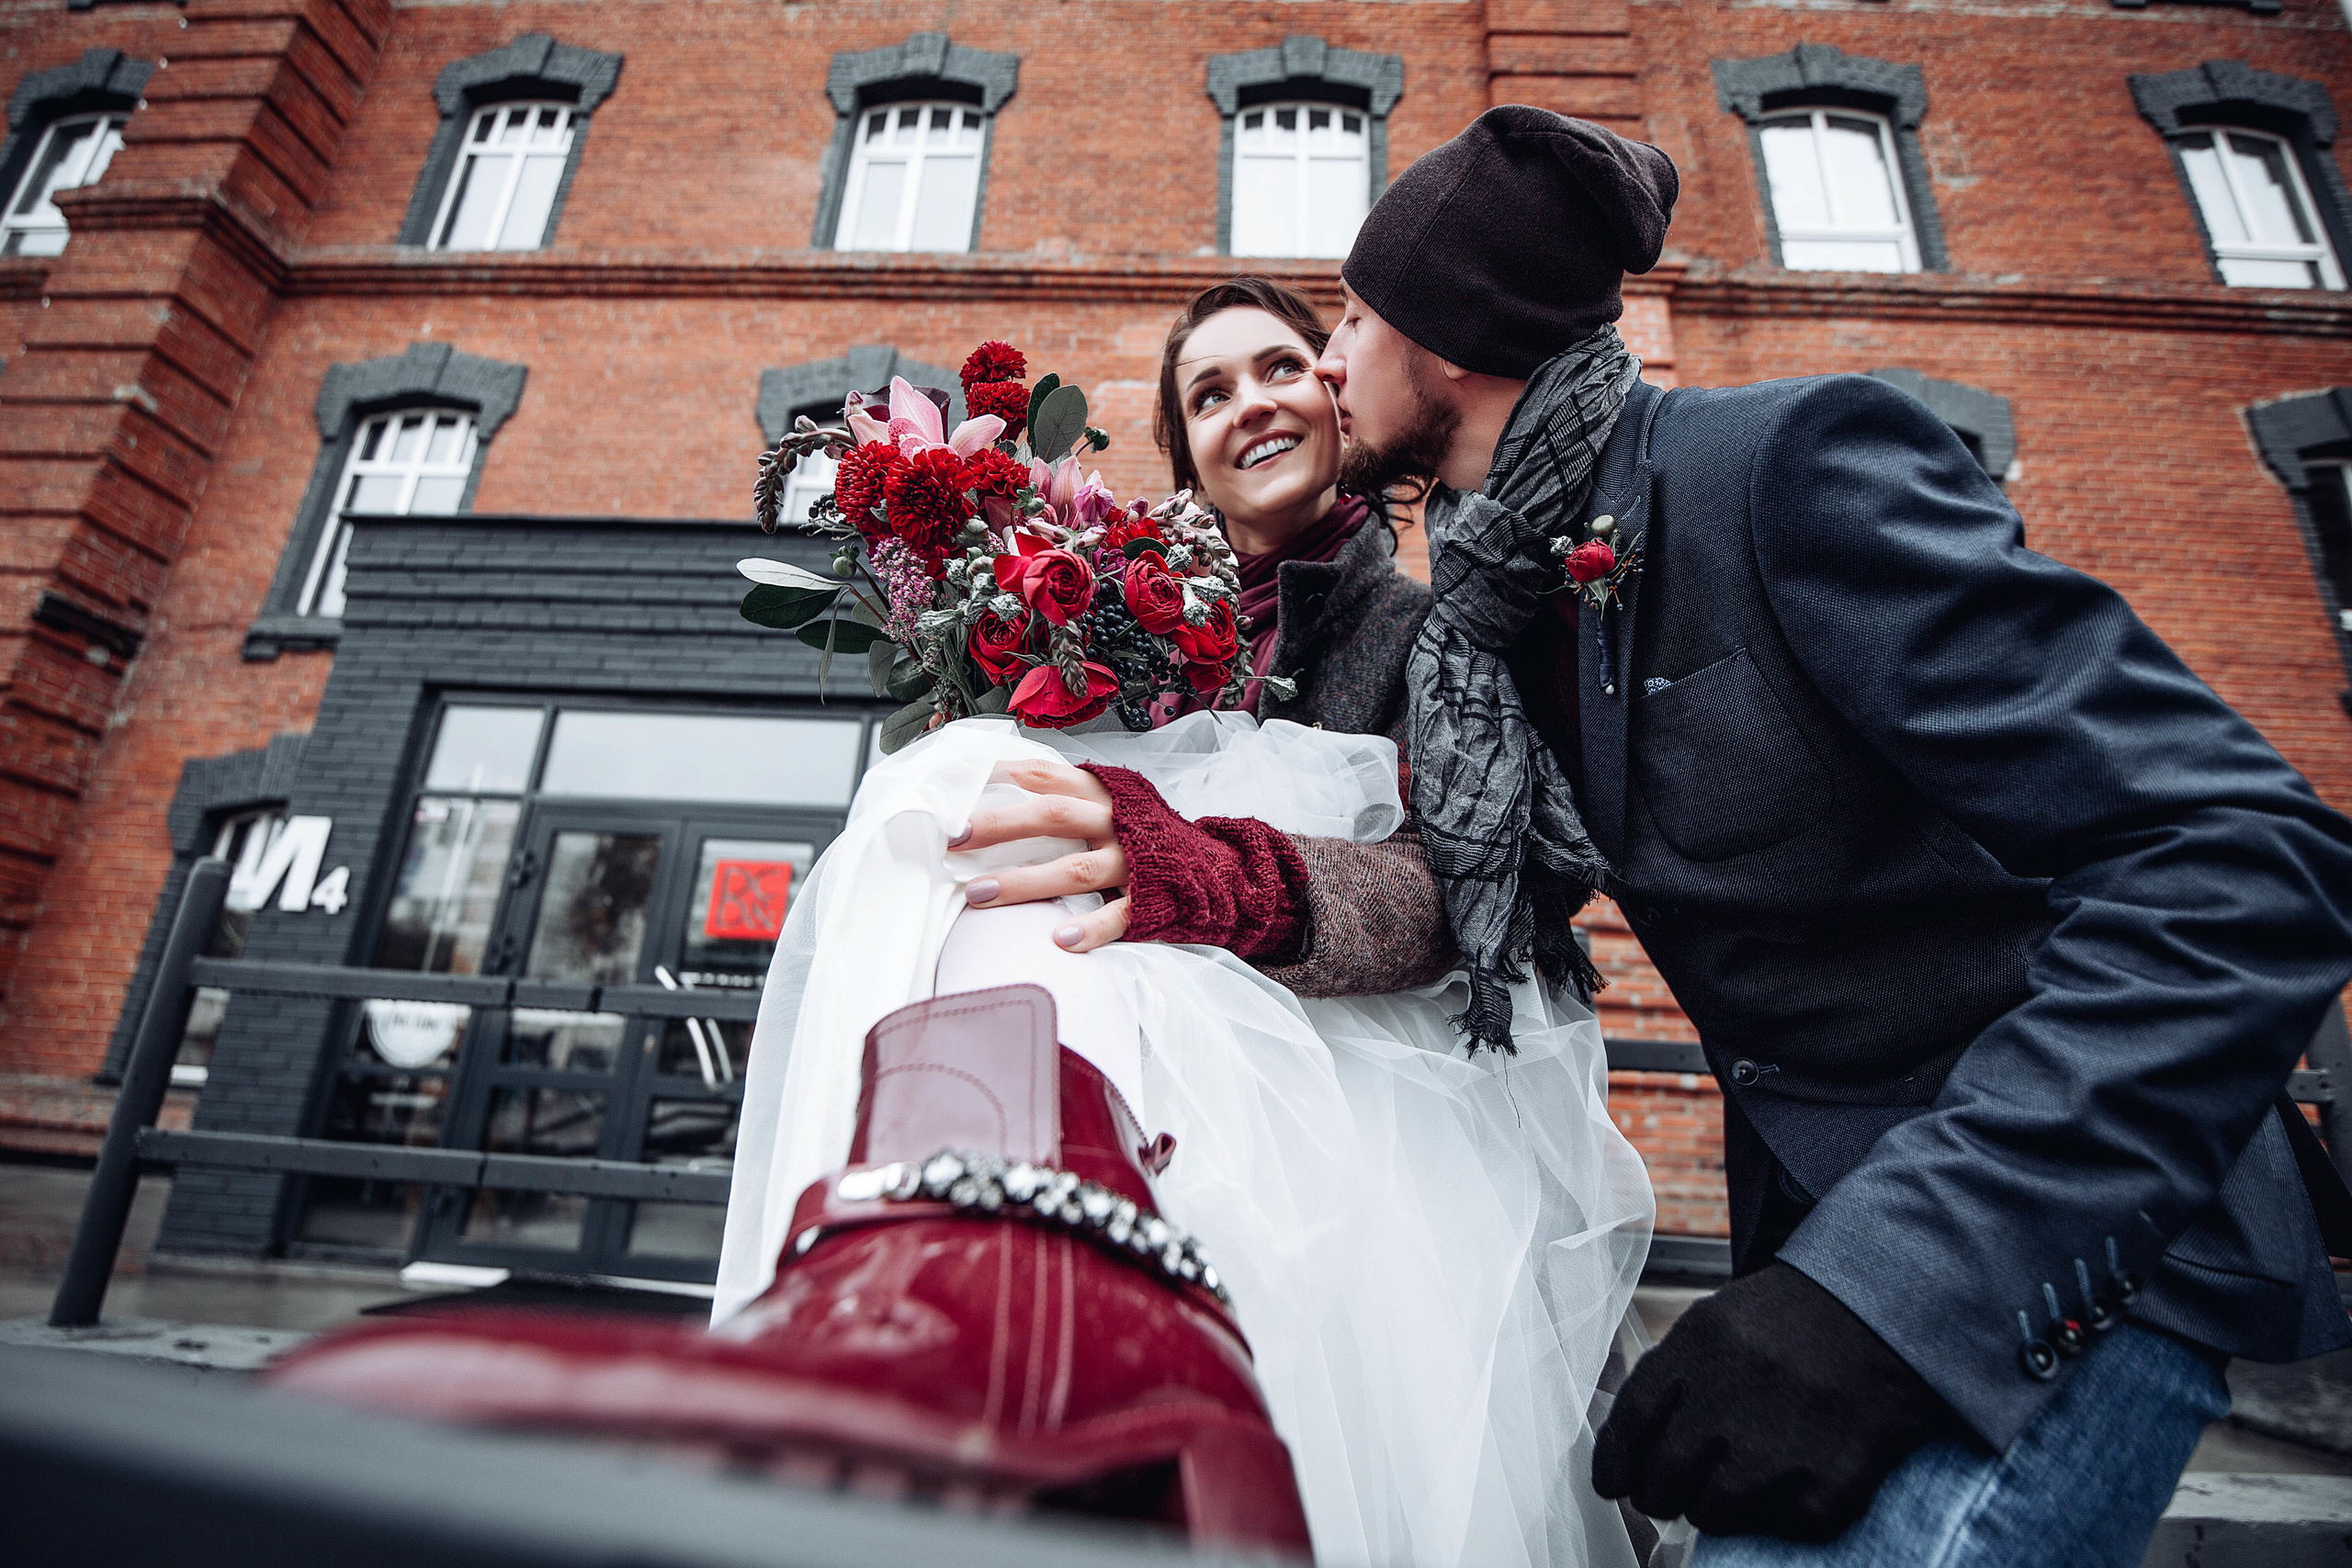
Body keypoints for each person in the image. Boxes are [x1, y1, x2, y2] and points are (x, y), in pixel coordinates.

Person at [267, 276, 1659, 1568]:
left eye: (1282, 366)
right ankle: (939, 1269)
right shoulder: (1114, 611)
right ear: (1184, 452)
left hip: (1340, 1078)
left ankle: (963, 1280)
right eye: (1212, 394)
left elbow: (1459, 893)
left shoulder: (1434, 638)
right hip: (1123, 1041)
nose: (1255, 406)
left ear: (1341, 394)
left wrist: (1211, 873)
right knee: (942, 784)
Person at [1310, 105, 2352, 1567]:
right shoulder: (1497, 605)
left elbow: (2245, 861)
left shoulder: (1783, 464)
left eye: (1350, 320)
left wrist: (1879, 1291)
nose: (1324, 359)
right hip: (1821, 1261)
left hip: (2032, 1246)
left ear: (1453, 339)